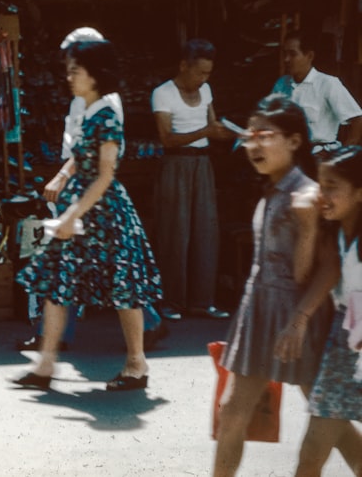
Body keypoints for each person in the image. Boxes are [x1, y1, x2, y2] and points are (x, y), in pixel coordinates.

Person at [212, 95, 351, 476]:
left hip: (298, 317)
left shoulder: (308, 193)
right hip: (260, 310)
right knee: (232, 410)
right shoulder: (276, 187)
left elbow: (327, 268)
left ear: (294, 141)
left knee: (330, 424)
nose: (253, 145)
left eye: (264, 135)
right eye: (249, 136)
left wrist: (299, 319)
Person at [14, 39, 163, 391]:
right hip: (82, 209)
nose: (69, 76)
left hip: (104, 213)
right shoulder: (90, 110)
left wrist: (71, 214)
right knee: (56, 280)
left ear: (95, 75)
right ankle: (46, 365)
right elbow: (82, 159)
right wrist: (64, 178)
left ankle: (136, 364)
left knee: (123, 289)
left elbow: (105, 175)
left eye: (76, 70)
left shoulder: (107, 115)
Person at [151, 38, 231, 321]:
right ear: (184, 65)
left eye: (207, 73)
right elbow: (167, 139)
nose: (203, 79)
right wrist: (206, 132)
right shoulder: (163, 93)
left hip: (202, 165)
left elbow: (214, 126)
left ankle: (202, 301)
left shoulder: (206, 90)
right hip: (176, 165)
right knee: (175, 233)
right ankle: (172, 301)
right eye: (199, 72)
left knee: (205, 233)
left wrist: (235, 134)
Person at [295, 146, 362, 477]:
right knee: (311, 453)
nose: (322, 195)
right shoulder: (335, 234)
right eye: (320, 185)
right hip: (344, 341)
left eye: (332, 186)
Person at [272, 29, 362, 155]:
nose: (286, 59)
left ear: (309, 56)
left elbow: (357, 119)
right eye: (284, 54)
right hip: (288, 155)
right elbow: (270, 118)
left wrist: (341, 156)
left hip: (319, 155)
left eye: (292, 54)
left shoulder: (327, 83)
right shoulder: (281, 84)